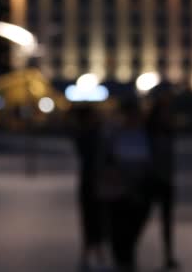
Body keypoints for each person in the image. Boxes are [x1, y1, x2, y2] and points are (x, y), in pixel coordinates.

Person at [100, 100, 154, 272]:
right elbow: (105, 159)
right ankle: (123, 258)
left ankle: (127, 255)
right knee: (119, 224)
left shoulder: (145, 133)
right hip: (119, 184)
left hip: (140, 184)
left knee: (136, 221)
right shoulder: (114, 134)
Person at [147, 85, 180, 270]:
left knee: (167, 220)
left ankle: (168, 255)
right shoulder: (151, 133)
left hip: (165, 180)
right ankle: (127, 252)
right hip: (152, 179)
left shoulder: (167, 133)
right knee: (141, 217)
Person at [72, 105, 107, 270]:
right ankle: (95, 255)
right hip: (93, 180)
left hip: (91, 180)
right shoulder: (90, 135)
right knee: (93, 219)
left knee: (92, 219)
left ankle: (92, 255)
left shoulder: (86, 135)